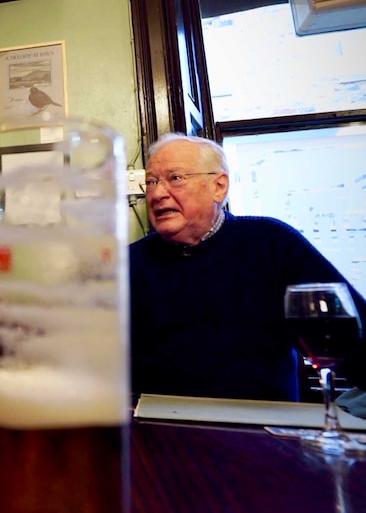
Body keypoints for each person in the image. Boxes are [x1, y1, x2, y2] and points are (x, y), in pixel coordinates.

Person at [129, 132, 366, 403]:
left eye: (175, 178)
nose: (158, 193)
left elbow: (352, 339)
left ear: (218, 186)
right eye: (151, 182)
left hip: (263, 433)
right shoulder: (129, 263)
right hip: (162, 432)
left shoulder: (271, 243)